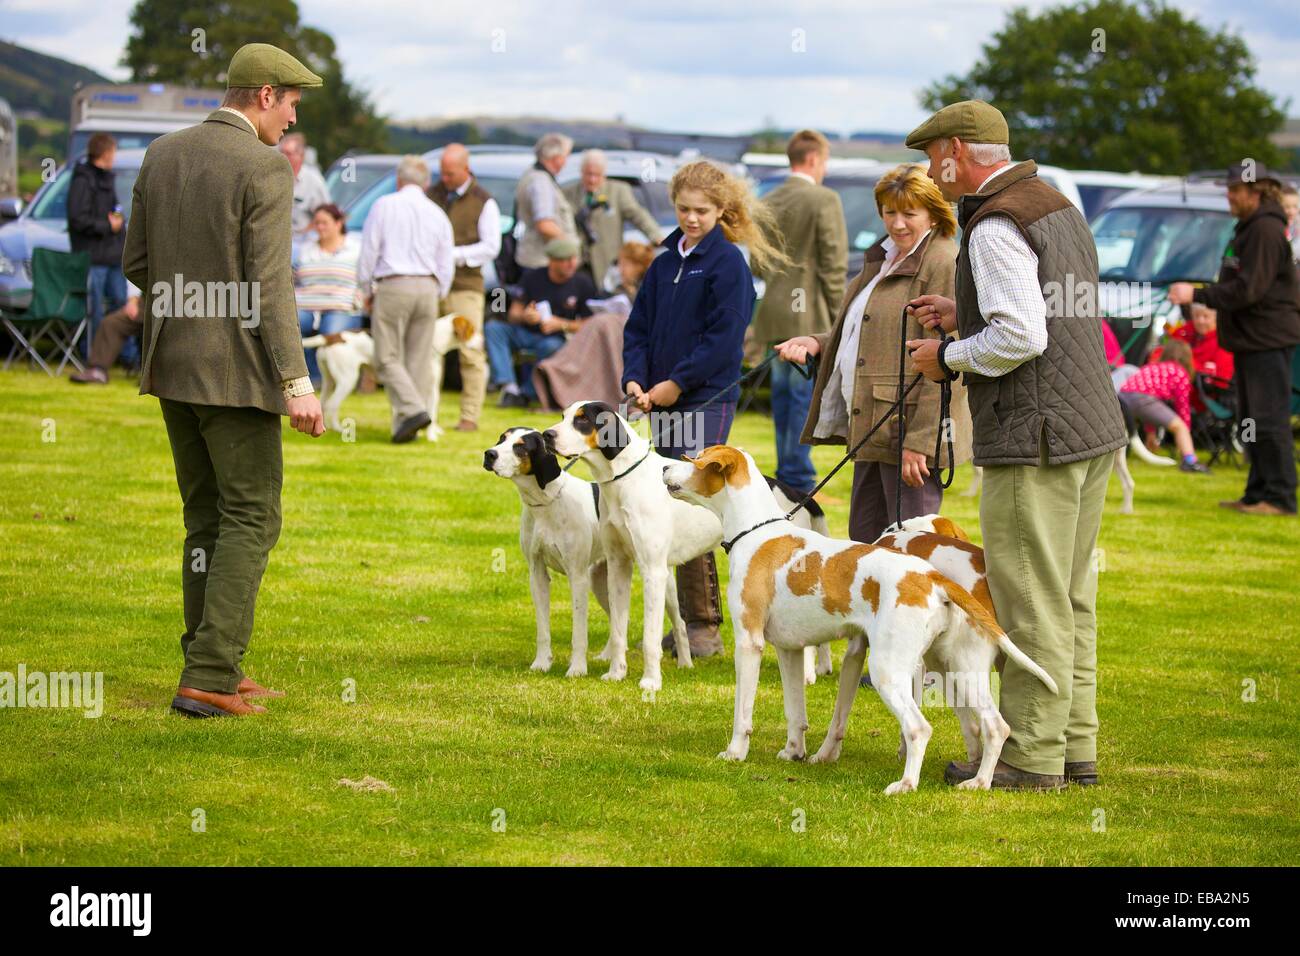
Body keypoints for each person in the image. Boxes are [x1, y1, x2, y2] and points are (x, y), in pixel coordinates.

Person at [904, 100, 1127, 790]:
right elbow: (1048, 313)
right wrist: (963, 313)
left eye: (934, 153)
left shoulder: (995, 224)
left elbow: (1022, 337)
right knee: (1069, 599)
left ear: (960, 151)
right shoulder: (1053, 202)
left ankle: (1030, 757)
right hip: (1089, 426)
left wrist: (948, 355)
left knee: (1030, 601)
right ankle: (1073, 748)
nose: (929, 169)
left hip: (1036, 438)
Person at [122, 42, 326, 719]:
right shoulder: (264, 168)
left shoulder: (162, 153)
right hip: (235, 376)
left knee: (205, 517)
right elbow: (271, 290)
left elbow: (138, 262)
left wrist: (187, 314)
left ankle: (216, 664)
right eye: (293, 102)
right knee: (252, 517)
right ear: (265, 95)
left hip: (170, 364)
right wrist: (297, 381)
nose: (293, 119)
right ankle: (209, 675)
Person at [622, 159, 788, 658]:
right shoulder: (664, 259)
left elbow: (724, 340)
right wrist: (636, 377)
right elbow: (638, 325)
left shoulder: (727, 263)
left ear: (722, 209)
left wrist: (677, 382)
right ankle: (685, 620)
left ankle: (706, 625)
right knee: (667, 501)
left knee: (696, 500)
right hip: (660, 396)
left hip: (705, 398)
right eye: (683, 209)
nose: (691, 218)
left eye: (702, 210)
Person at [776, 163, 972, 542]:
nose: (897, 224)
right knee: (864, 545)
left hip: (909, 435)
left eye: (909, 213)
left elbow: (952, 359)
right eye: (889, 212)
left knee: (909, 552)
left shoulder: (943, 260)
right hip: (870, 425)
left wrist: (922, 441)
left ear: (933, 213)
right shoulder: (883, 257)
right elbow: (861, 329)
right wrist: (818, 341)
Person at [1169, 162, 1300, 516]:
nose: (1229, 194)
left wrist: (1197, 295)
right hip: (1249, 340)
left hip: (1267, 339)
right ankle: (1256, 491)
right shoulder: (1249, 228)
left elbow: (1248, 290)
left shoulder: (1266, 231)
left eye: (1235, 190)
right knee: (1250, 419)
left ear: (1255, 192)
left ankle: (1280, 496)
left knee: (1268, 419)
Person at [755, 129, 849, 494]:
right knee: (799, 400)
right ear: (813, 160)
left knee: (783, 400)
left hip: (775, 311)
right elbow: (833, 263)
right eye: (824, 162)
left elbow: (758, 264)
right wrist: (839, 317)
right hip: (809, 313)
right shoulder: (823, 198)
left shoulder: (768, 199)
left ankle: (787, 470)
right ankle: (796, 477)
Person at [357, 154, 455, 442]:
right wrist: (439, 291)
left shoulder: (384, 205)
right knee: (419, 360)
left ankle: (413, 411)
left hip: (393, 284)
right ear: (426, 184)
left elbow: (369, 251)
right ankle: (406, 425)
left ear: (399, 180)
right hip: (428, 287)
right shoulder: (437, 212)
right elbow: (445, 260)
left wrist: (365, 288)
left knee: (386, 357)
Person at [427, 143, 501, 433]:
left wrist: (453, 255)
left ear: (466, 169)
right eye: (442, 173)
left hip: (465, 285)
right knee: (430, 350)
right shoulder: (431, 194)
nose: (444, 178)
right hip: (433, 286)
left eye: (450, 173)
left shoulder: (485, 202)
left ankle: (469, 416)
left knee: (470, 351)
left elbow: (491, 247)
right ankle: (428, 415)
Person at [534, 240, 656, 411]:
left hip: (626, 335)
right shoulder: (615, 286)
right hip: (602, 334)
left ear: (638, 266)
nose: (621, 269)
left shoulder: (650, 286)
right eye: (620, 264)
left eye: (625, 264)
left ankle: (561, 376)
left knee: (600, 326)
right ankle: (556, 375)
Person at [487, 237, 595, 408]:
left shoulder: (583, 283)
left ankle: (527, 393)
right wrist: (526, 315)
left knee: (552, 346)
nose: (571, 264)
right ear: (552, 261)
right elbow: (514, 312)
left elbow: (591, 323)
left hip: (555, 337)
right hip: (525, 332)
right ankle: (509, 387)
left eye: (573, 259)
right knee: (494, 328)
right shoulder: (533, 277)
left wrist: (562, 324)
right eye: (565, 260)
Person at [562, 149, 664, 289]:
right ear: (581, 172)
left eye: (597, 175)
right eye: (588, 174)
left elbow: (638, 215)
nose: (592, 180)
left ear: (604, 174)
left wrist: (656, 235)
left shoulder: (618, 191)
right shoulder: (569, 192)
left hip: (607, 260)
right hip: (578, 262)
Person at [67, 132, 128, 362]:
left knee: (120, 306)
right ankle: (92, 355)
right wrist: (106, 225)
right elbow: (77, 219)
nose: (114, 157)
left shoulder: (108, 179)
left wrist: (117, 222)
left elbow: (114, 210)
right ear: (105, 153)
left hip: (113, 255)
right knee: (94, 311)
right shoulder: (83, 180)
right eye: (113, 152)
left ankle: (123, 355)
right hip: (92, 257)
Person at [294, 203, 362, 385]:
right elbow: (293, 278)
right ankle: (307, 379)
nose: (320, 227)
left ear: (338, 223)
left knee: (331, 333)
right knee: (291, 328)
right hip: (306, 306)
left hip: (341, 306)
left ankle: (330, 380)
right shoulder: (306, 249)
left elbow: (366, 279)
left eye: (325, 223)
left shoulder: (355, 249)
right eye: (316, 223)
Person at [1118, 339, 1209, 473]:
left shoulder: (1152, 366)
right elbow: (1182, 407)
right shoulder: (1180, 373)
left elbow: (1147, 407)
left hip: (1122, 397)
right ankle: (1190, 461)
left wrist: (1150, 433)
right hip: (1142, 398)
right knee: (1180, 427)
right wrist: (1184, 432)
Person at [514, 133, 576, 271]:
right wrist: (571, 248)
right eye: (566, 156)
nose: (566, 161)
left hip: (533, 257)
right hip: (542, 261)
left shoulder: (531, 173)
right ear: (556, 158)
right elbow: (545, 224)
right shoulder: (541, 182)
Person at [68, 283, 142, 384]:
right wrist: (133, 301)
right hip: (151, 300)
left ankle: (155, 377)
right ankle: (97, 371)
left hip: (168, 304)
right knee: (111, 323)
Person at [279, 132, 331, 234]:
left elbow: (326, 216)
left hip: (302, 243)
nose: (282, 157)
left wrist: (302, 234)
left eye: (288, 153)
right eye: (281, 152)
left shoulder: (313, 181)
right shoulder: (272, 177)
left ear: (301, 156)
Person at [1281, 183, 1300, 263]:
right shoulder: (1278, 226)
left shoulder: (1297, 224)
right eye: (1287, 207)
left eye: (1295, 206)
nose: (1291, 211)